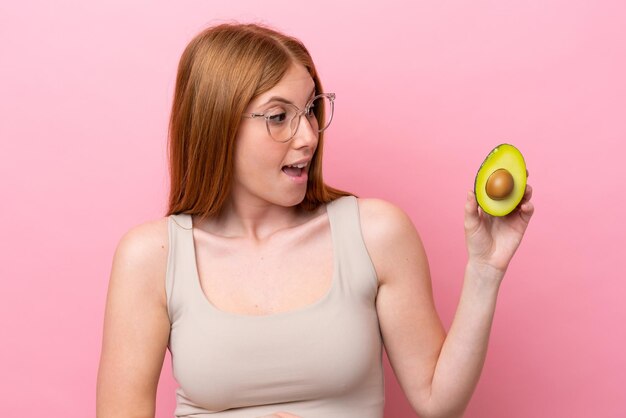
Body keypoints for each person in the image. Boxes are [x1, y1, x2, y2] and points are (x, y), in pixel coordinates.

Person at [96, 23, 534, 418]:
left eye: (311, 110)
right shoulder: (151, 258)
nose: (308, 136)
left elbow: (439, 402)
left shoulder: (374, 233)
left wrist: (484, 270)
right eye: (279, 117)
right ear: (218, 125)